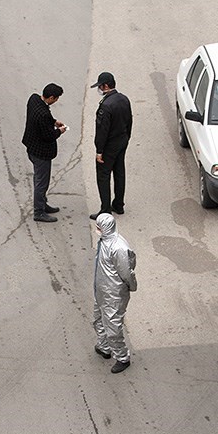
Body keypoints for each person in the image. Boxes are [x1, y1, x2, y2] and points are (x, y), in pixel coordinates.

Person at [92, 213, 137, 374]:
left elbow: (127, 272)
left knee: (113, 327)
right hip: (102, 290)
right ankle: (104, 347)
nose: (96, 229)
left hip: (113, 294)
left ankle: (122, 357)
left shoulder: (118, 247)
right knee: (98, 319)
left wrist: (130, 287)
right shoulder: (104, 241)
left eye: (98, 226)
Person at [89, 72, 133, 220]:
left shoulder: (106, 106)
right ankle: (119, 205)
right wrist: (127, 138)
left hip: (109, 146)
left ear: (105, 86)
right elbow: (129, 121)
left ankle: (105, 209)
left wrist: (99, 150)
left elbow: (102, 131)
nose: (99, 89)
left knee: (103, 175)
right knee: (119, 172)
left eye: (100, 86)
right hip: (122, 140)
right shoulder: (124, 99)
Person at [22, 83, 67, 223]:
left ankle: (42, 203)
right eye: (56, 98)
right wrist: (59, 131)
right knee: (41, 182)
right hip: (41, 153)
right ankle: (39, 212)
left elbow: (42, 118)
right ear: (51, 97)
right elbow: (48, 136)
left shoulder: (34, 99)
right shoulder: (43, 114)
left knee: (39, 180)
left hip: (31, 147)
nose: (56, 101)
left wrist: (53, 121)